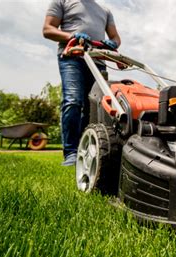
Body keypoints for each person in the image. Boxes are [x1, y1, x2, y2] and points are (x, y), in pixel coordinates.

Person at [42, 0, 121, 166]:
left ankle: (87, 148)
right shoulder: (62, 2)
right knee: (73, 101)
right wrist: (72, 35)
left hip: (97, 59)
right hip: (72, 57)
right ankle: (70, 152)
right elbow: (48, 29)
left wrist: (113, 43)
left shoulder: (104, 10)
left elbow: (115, 36)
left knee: (94, 107)